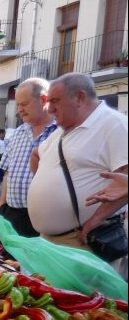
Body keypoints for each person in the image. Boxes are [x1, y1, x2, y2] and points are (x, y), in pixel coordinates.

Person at [29, 72, 128, 264]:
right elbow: (36, 155)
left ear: (80, 97)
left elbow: (125, 182)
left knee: (85, 295)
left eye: (55, 101)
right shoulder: (61, 130)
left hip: (83, 241)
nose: (49, 109)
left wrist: (96, 219)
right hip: (50, 241)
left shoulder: (115, 125)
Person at [0, 78, 56, 238]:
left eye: (24, 104)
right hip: (12, 216)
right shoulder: (17, 133)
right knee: (7, 262)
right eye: (18, 105)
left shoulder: (61, 133)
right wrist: (2, 209)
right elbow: (8, 174)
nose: (19, 110)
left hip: (47, 220)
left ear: (44, 100)